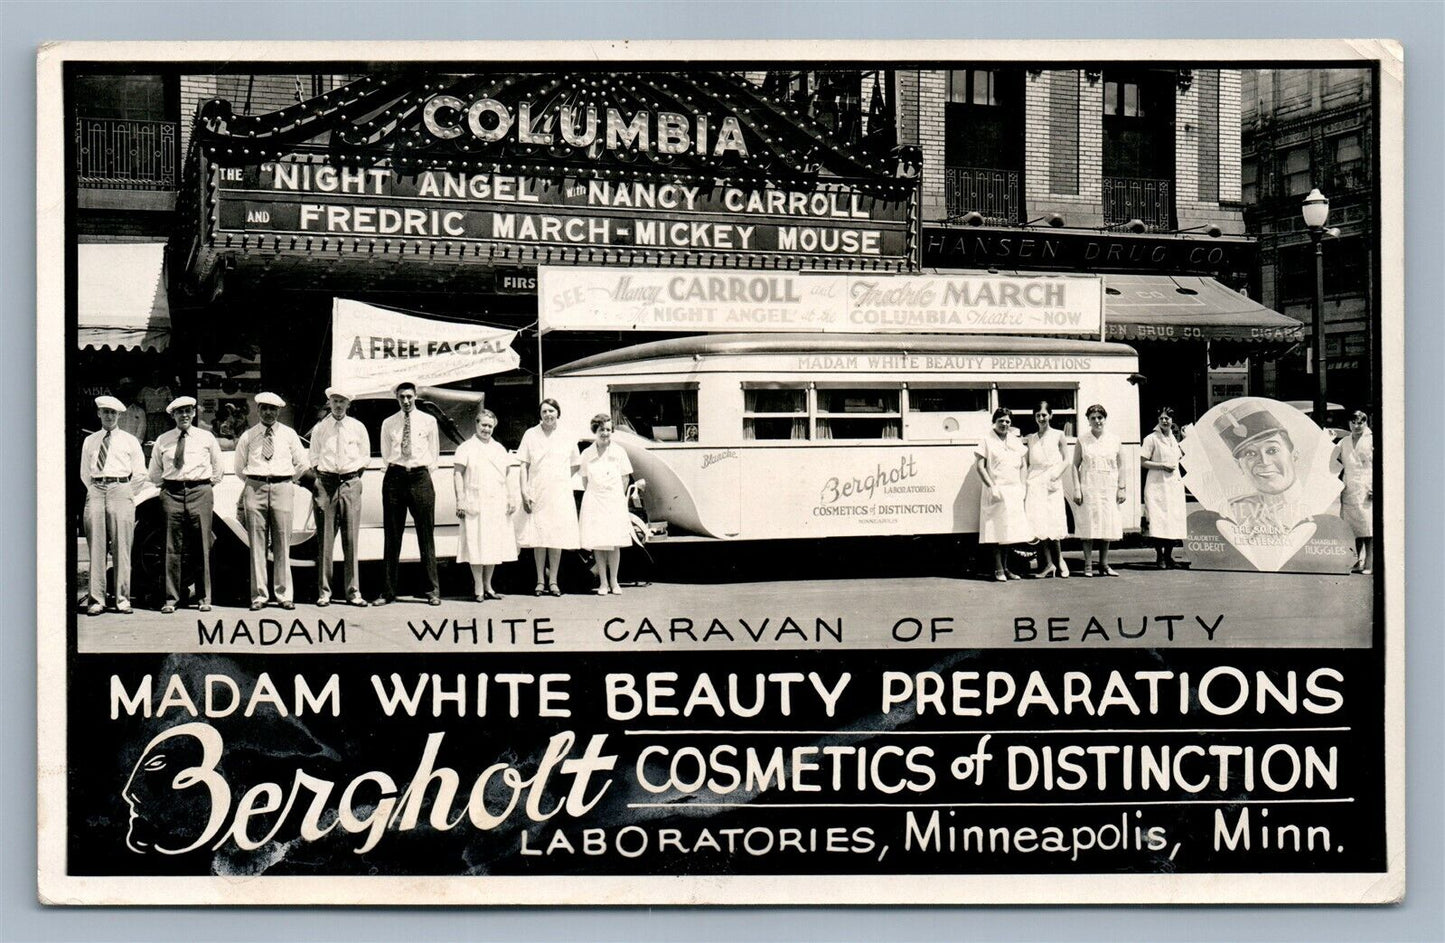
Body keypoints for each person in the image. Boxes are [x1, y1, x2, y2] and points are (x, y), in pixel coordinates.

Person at [147, 396, 224, 613]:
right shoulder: (163, 440)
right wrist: (172, 486)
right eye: (180, 412)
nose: (185, 415)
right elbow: (154, 473)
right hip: (171, 492)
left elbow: (218, 470)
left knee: (202, 545)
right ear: (172, 415)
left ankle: (203, 597)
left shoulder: (206, 438)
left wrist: (201, 487)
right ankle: (171, 598)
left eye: (188, 411)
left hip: (200, 491)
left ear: (194, 413)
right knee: (171, 546)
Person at [234, 392, 308, 610]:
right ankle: (259, 595)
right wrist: (257, 481)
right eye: (264, 408)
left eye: (273, 409)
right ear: (258, 410)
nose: (268, 412)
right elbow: (239, 468)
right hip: (255, 487)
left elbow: (301, 463)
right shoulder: (248, 436)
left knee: (282, 542)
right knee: (256, 544)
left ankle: (284, 594)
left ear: (279, 411)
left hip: (282, 487)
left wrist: (284, 480)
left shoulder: (289, 435)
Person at [375, 381, 442, 606]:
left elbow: (434, 453)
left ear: (415, 397)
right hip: (395, 478)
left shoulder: (428, 421)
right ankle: (388, 592)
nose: (406, 401)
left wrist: (419, 470)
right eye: (402, 397)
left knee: (426, 535)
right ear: (396, 398)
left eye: (409, 397)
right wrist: (399, 470)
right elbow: (386, 453)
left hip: (421, 477)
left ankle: (432, 590)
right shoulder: (388, 423)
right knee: (392, 536)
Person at [78, 395, 146, 615]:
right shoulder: (91, 440)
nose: (109, 416)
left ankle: (122, 599)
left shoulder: (129, 440)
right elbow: (84, 473)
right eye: (105, 412)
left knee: (122, 548)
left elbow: (140, 473)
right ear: (99, 414)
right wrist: (95, 489)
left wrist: (125, 492)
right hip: (96, 490)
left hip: (121, 489)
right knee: (96, 548)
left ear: (119, 416)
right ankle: (96, 600)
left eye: (113, 413)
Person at [308, 387, 371, 607]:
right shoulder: (320, 428)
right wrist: (323, 476)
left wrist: (352, 476)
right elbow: (314, 456)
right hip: (326, 483)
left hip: (350, 482)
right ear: (329, 402)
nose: (338, 405)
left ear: (348, 404)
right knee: (325, 540)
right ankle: (325, 592)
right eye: (334, 401)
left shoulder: (357, 427)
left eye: (342, 401)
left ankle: (353, 592)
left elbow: (365, 457)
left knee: (351, 539)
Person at [453, 407, 519, 601]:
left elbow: (507, 477)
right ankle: (478, 587)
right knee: (476, 544)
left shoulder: (499, 449)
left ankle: (489, 585)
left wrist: (510, 497)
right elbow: (457, 474)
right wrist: (460, 499)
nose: (487, 429)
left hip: (496, 503)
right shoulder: (465, 447)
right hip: (475, 501)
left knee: (492, 545)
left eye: (490, 426)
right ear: (476, 424)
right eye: (484, 425)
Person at [517, 398, 581, 596]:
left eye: (551, 411)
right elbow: (523, 465)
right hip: (537, 492)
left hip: (559, 493)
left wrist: (559, 480)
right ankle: (539, 581)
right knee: (539, 537)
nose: (548, 415)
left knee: (556, 536)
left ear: (557, 413)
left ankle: (553, 581)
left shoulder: (567, 435)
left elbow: (575, 464)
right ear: (540, 414)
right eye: (544, 411)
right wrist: (524, 491)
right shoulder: (530, 434)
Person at [578, 414, 639, 595]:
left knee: (614, 542)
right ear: (595, 431)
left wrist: (618, 498)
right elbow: (584, 480)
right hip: (595, 500)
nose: (605, 433)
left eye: (608, 430)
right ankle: (603, 583)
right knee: (598, 542)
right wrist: (596, 494)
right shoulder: (587, 453)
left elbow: (625, 478)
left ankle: (614, 581)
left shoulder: (619, 452)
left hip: (613, 500)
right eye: (601, 429)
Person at [974, 408, 1033, 582]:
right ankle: (998, 569)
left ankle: (1006, 569)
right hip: (996, 491)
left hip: (1013, 491)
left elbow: (1023, 465)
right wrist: (991, 486)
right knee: (996, 531)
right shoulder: (986, 440)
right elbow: (980, 466)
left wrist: (1022, 486)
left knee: (1009, 533)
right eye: (1001, 421)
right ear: (995, 421)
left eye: (1007, 421)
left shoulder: (1014, 441)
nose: (1004, 424)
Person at [1072, 403, 1126, 577]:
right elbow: (1075, 465)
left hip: (1108, 486)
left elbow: (1121, 465)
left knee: (1107, 525)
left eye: (1100, 418)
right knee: (1089, 525)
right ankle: (1088, 565)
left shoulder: (1114, 439)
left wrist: (1121, 488)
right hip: (1089, 486)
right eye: (1093, 418)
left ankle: (1104, 564)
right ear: (1088, 420)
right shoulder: (1082, 439)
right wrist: (1077, 488)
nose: (1097, 421)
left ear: (1105, 419)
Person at [1023, 401, 1070, 579]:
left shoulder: (1059, 435)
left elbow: (1066, 460)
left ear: (1051, 415)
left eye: (1044, 415)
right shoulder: (1031, 438)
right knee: (1039, 524)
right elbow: (1027, 463)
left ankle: (1060, 561)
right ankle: (1048, 565)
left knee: (1054, 521)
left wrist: (1055, 475)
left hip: (1052, 481)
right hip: (1035, 482)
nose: (1041, 418)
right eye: (1038, 415)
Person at [1140, 406, 1188, 569]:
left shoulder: (1173, 439)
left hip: (1173, 485)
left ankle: (1169, 555)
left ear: (1172, 420)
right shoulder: (1151, 438)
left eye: (1167, 418)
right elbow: (1143, 461)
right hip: (1157, 485)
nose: (1164, 421)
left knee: (1173, 520)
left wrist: (1184, 439)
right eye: (1161, 418)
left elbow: (1179, 457)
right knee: (1158, 520)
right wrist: (1161, 466)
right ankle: (1159, 556)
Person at [1333, 409, 1374, 575]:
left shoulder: (1372, 440)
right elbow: (1332, 457)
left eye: (1361, 422)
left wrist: (1374, 487)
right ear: (1349, 424)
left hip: (1367, 487)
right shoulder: (1344, 441)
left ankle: (1370, 564)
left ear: (1366, 423)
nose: (1357, 426)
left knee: (1368, 528)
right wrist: (1327, 438)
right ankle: (1358, 561)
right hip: (1349, 488)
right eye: (1354, 422)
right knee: (1352, 529)